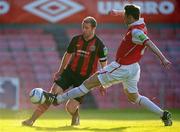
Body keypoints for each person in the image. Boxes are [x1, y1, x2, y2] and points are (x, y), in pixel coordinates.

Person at [44, 5, 172, 126]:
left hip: (121, 67)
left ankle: (58, 100)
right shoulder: (141, 22)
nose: (123, 18)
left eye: (124, 16)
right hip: (134, 67)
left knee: (87, 84)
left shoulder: (136, 32)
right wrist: (117, 12)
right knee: (134, 97)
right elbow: (133, 11)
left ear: (129, 17)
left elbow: (149, 43)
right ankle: (163, 114)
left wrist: (163, 59)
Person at [22, 16, 108, 126]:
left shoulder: (99, 45)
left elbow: (104, 65)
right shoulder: (76, 39)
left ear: (93, 29)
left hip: (84, 79)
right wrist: (60, 71)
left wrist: (103, 83)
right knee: (52, 95)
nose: (84, 30)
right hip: (70, 73)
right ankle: (31, 120)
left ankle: (75, 114)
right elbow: (67, 55)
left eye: (87, 28)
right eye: (83, 27)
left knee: (70, 107)